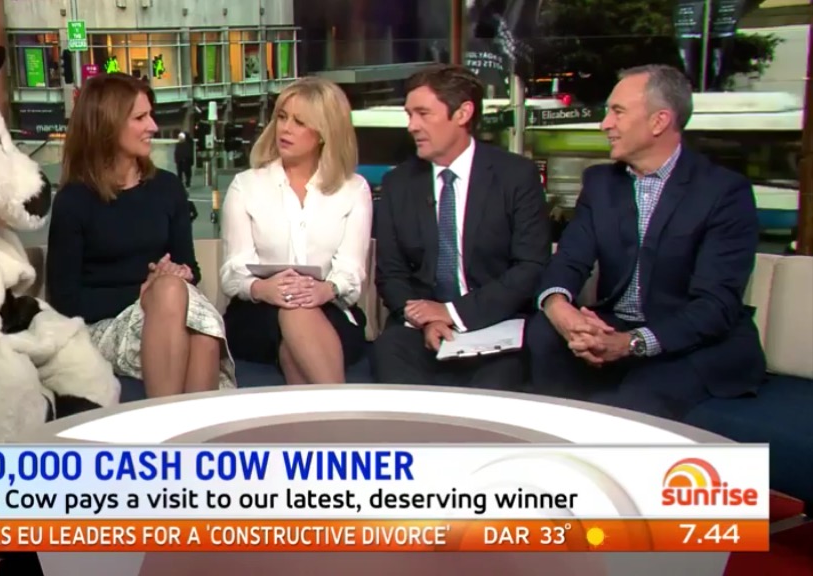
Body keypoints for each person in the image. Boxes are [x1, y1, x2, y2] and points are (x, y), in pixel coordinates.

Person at [526, 64, 765, 421]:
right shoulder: (601, 183)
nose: (605, 124)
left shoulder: (724, 192)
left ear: (659, 121)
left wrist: (631, 343)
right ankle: (554, 440)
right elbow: (569, 259)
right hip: (617, 325)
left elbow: (715, 306)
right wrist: (559, 308)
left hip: (691, 341)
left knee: (636, 401)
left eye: (617, 112)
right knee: (543, 332)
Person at [46, 73, 236, 397]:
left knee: (201, 331)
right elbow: (65, 301)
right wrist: (145, 292)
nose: (153, 126)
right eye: (140, 118)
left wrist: (178, 273)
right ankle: (174, 421)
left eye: (151, 115)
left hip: (169, 309)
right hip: (102, 324)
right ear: (107, 125)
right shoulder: (74, 201)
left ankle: (180, 428)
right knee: (173, 298)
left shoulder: (167, 187)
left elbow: (190, 268)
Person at [373, 64, 550, 389]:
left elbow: (530, 267)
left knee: (497, 382)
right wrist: (426, 320)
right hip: (420, 329)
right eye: (409, 115)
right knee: (390, 355)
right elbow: (391, 274)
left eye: (423, 114)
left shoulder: (515, 176)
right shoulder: (398, 183)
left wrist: (452, 313)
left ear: (462, 113)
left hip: (495, 322)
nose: (412, 126)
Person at [219, 77, 373, 384]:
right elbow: (233, 270)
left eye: (299, 122)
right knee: (295, 310)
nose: (285, 129)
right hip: (256, 312)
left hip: (330, 308)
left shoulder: (353, 189)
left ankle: (324, 412)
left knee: (297, 324)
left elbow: (351, 269)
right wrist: (264, 289)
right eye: (282, 117)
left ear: (324, 133)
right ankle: (341, 407)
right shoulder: (246, 185)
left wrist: (325, 289)